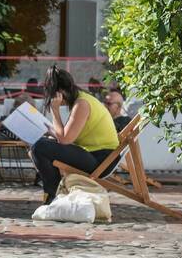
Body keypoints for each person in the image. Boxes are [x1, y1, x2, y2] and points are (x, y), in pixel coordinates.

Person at [30, 66, 119, 204]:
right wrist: (53, 133)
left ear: (59, 93)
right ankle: (54, 194)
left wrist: (55, 110)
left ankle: (52, 196)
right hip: (95, 154)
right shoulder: (81, 100)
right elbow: (66, 136)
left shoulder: (82, 104)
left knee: (39, 147)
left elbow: (65, 140)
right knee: (42, 144)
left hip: (101, 160)